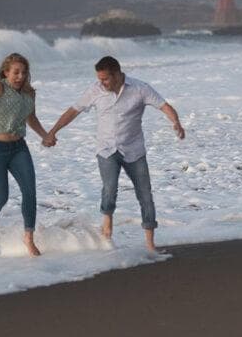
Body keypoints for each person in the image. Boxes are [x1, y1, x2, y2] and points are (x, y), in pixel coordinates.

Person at [44, 55, 184, 251]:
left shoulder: (139, 88)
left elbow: (164, 106)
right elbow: (72, 112)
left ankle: (151, 244)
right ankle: (107, 221)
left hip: (134, 150)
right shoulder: (95, 90)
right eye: (99, 78)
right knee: (110, 189)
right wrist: (53, 131)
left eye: (105, 79)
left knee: (145, 194)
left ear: (118, 74)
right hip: (107, 150)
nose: (101, 82)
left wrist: (175, 122)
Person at [0, 52, 49, 257]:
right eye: (16, 72)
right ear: (6, 72)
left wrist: (45, 136)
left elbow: (31, 118)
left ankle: (29, 238)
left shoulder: (30, 93)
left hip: (19, 148)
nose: (20, 76)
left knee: (30, 193)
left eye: (24, 72)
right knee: (1, 197)